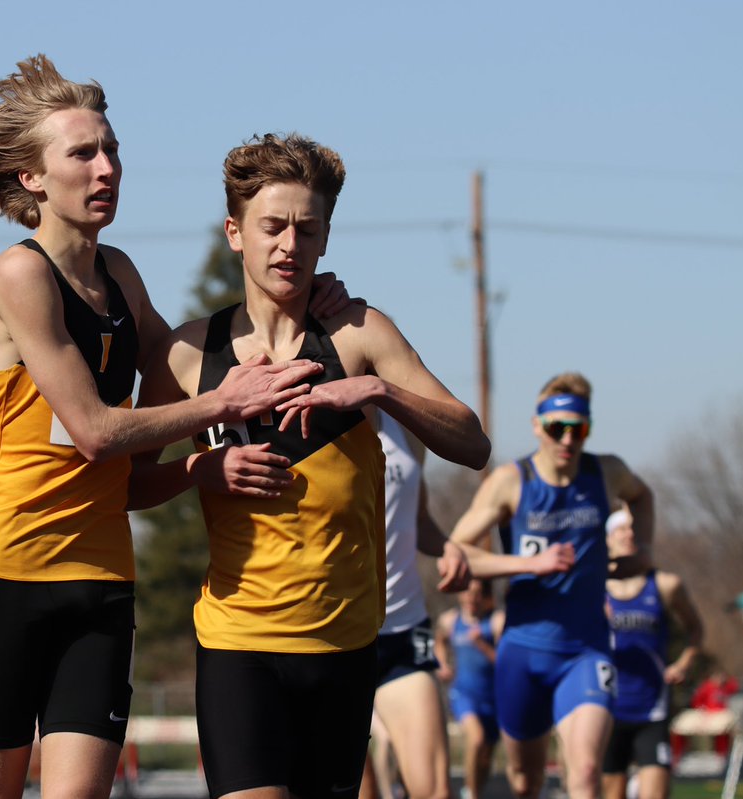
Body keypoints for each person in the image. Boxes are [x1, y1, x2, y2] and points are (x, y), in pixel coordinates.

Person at [0, 57, 354, 799]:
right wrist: (225, 405)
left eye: (112, 150)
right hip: (2, 569)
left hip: (99, 574)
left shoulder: (122, 275)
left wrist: (293, 294)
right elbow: (99, 430)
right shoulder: (19, 275)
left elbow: (186, 364)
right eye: (83, 154)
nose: (108, 168)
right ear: (32, 178)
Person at [132, 132, 491, 799]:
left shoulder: (359, 334)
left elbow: (472, 443)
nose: (288, 245)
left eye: (306, 228)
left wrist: (380, 391)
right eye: (272, 226)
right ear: (235, 232)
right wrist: (199, 472)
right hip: (239, 642)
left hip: (345, 648)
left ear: (325, 238)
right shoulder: (187, 353)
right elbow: (125, 484)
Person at [451, 372, 655, 799]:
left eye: (577, 429)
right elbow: (457, 549)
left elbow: (642, 495)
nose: (567, 439)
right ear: (536, 426)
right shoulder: (512, 482)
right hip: (523, 651)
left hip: (586, 650)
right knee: (525, 782)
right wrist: (529, 563)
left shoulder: (606, 473)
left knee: (583, 772)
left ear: (588, 429)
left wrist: (643, 551)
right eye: (556, 428)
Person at [360, 412, 570, 799]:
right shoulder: (308, 415)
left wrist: (452, 550)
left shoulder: (404, 428)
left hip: (403, 628)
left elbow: (417, 519)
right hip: (330, 633)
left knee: (435, 790)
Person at [602, 507, 703, 799]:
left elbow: (695, 629)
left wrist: (683, 662)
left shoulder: (664, 584)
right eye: (620, 529)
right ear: (608, 538)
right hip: (608, 708)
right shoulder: (594, 588)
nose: (628, 535)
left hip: (651, 709)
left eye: (634, 528)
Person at [435, 579, 504, 799]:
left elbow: (505, 664)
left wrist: (482, 645)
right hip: (464, 694)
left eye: (476, 593)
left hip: (493, 698)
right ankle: (470, 794)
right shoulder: (450, 620)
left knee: (485, 758)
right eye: (467, 592)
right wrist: (443, 665)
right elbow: (439, 642)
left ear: (484, 596)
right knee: (476, 739)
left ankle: (475, 791)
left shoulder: (494, 623)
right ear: (460, 594)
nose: (471, 598)